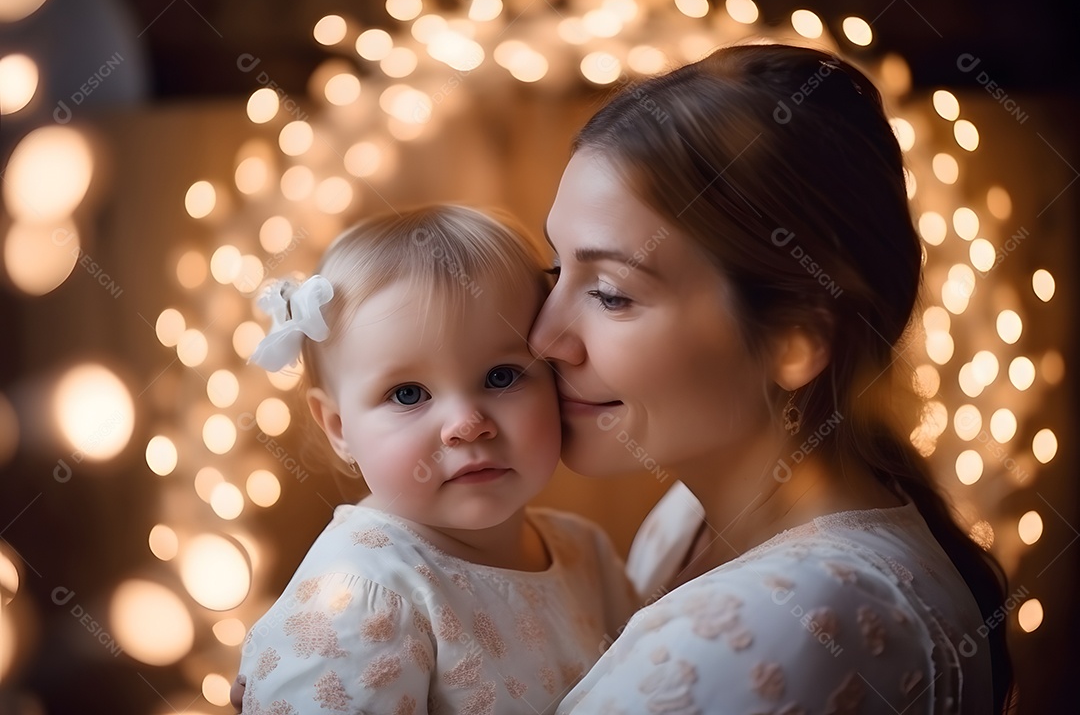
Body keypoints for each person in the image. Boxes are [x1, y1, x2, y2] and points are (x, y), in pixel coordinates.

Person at [528, 44, 1012, 714]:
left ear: (795, 340)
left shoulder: (776, 626)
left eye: (611, 294)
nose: (542, 337)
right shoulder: (686, 521)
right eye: (556, 270)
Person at [234, 205, 638, 715]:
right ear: (338, 428)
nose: (467, 424)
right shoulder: (361, 600)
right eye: (407, 394)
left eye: (501, 377)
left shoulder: (586, 555)